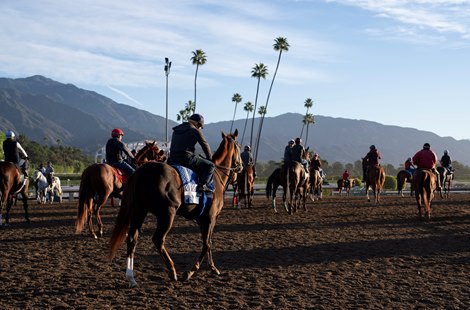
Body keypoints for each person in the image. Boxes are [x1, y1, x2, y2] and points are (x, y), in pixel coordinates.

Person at [168, 114, 215, 193]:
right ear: (198, 124)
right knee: (211, 165)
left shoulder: (176, 130)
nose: (200, 128)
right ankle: (202, 185)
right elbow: (205, 145)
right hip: (186, 159)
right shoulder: (194, 130)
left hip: (172, 160)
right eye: (200, 127)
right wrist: (210, 158)